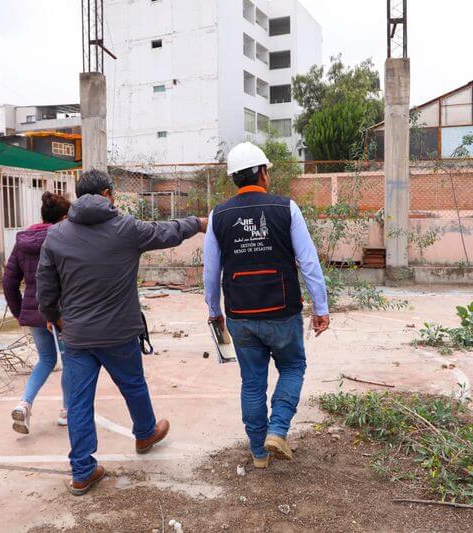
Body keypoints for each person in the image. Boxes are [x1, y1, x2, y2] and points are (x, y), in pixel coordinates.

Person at [36, 168, 207, 496]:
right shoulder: (126, 228)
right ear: (106, 194)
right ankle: (145, 433)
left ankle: (83, 471)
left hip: (77, 336)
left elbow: (45, 286)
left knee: (79, 402)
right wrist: (197, 223)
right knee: (133, 385)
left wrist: (54, 317)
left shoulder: (56, 235)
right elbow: (166, 231)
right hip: (119, 333)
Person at [203, 142, 329, 469]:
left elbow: (210, 273)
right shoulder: (286, 208)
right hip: (282, 311)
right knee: (292, 367)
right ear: (262, 173)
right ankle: (278, 429)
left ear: (234, 178)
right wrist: (321, 307)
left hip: (240, 316)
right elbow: (309, 263)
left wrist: (214, 312)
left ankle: (259, 453)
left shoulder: (219, 215)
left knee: (252, 382)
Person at [3, 191, 71, 434]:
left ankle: (25, 403)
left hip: (34, 311)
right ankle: (67, 410)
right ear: (63, 217)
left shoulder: (22, 241)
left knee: (46, 360)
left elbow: (9, 282)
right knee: (70, 361)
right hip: (61, 313)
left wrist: (21, 312)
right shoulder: (62, 239)